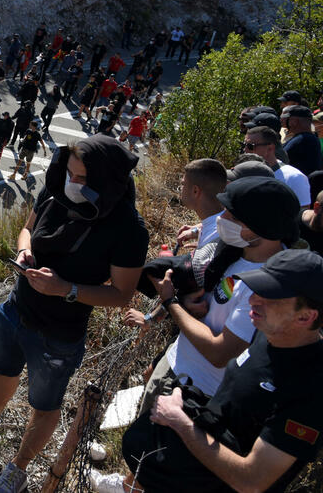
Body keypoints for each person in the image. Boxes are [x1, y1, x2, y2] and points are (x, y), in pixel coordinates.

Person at [0, 136, 148, 493]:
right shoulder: (57, 190)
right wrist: (24, 251)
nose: (74, 183)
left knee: (44, 405)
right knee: (3, 369)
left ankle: (18, 468)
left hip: (59, 333)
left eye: (84, 179)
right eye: (71, 173)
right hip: (17, 308)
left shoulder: (128, 229)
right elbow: (27, 228)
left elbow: (121, 294)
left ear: (108, 180)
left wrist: (66, 289)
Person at [95, 250, 323, 493]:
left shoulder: (311, 390)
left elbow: (251, 481)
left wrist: (180, 423)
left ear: (306, 316)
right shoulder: (267, 334)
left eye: (271, 297)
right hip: (191, 470)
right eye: (258, 289)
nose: (254, 300)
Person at [137, 176, 300, 422]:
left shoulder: (268, 286)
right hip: (176, 363)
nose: (221, 219)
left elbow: (219, 352)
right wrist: (188, 306)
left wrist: (171, 303)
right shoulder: (231, 250)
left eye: (233, 217)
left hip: (197, 394)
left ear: (264, 227)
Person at [242, 125, 311, 208]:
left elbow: (302, 214)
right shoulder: (242, 173)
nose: (245, 150)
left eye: (250, 146)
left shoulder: (294, 177)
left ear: (270, 148)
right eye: (243, 145)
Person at [174, 159, 228, 250]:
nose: (181, 189)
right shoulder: (222, 222)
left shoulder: (213, 241)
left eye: (183, 185)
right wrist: (195, 230)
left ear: (195, 191)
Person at [281, 105, 322, 176]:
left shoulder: (303, 140)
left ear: (295, 121)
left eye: (287, 119)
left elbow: (281, 159)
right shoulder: (307, 138)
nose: (282, 120)